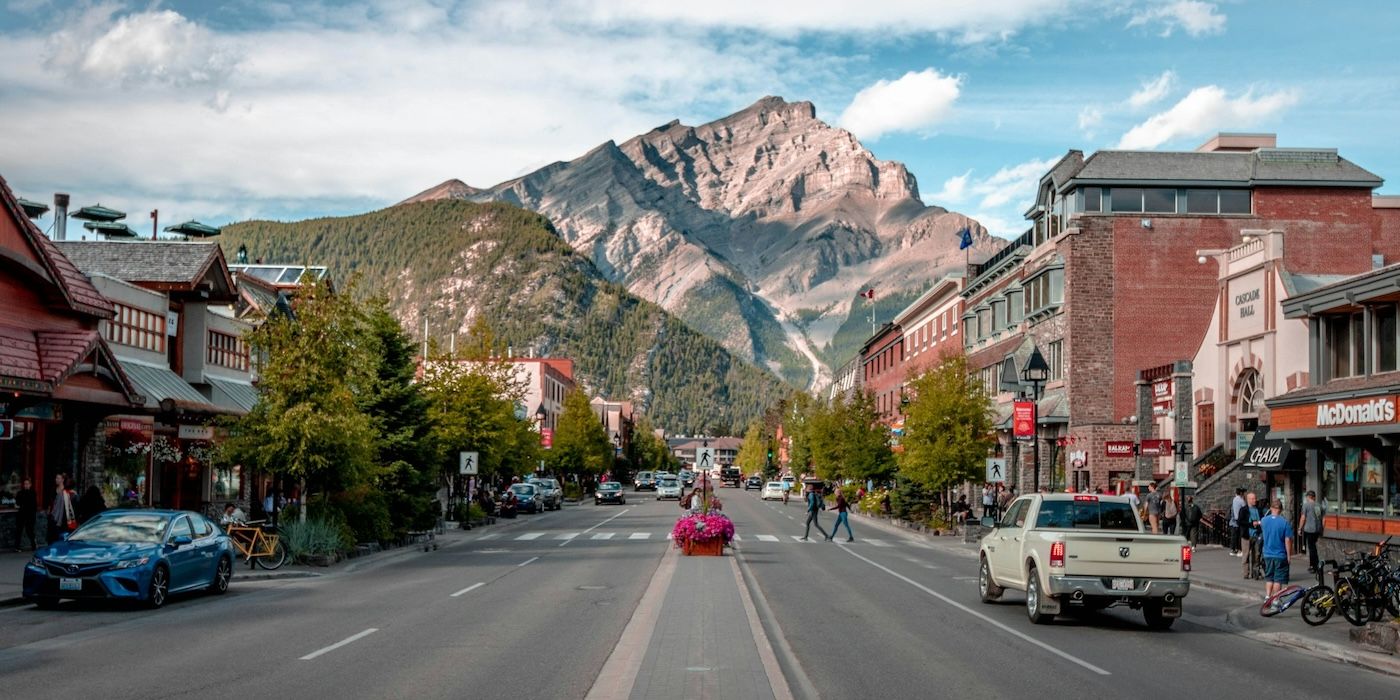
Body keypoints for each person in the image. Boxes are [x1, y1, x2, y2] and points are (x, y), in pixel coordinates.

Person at [1260, 499, 1294, 600]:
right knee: (1278, 579)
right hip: (1280, 554)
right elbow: (1288, 540)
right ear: (1281, 510)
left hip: (1267, 554)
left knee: (1269, 577)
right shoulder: (1284, 523)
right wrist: (1289, 555)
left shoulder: (1264, 521)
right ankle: (1275, 600)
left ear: (1271, 508)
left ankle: (1267, 596)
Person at [1298, 490, 1325, 573]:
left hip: (1309, 529)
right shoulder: (1319, 506)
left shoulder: (1306, 506)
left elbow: (1303, 518)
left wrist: (1300, 528)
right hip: (1317, 529)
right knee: (1313, 547)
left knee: (1311, 548)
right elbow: (1324, 519)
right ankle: (1314, 565)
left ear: (1308, 497)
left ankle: (1314, 566)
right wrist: (1322, 529)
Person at [48, 474, 76, 542]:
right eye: (56, 478)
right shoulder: (54, 489)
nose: (56, 479)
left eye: (58, 478)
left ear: (63, 480)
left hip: (63, 517)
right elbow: (51, 501)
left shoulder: (68, 493)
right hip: (54, 515)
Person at [1241, 491, 1262, 579]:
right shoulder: (1244, 510)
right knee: (1246, 555)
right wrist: (1251, 524)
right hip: (1246, 535)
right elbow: (1240, 522)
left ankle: (1255, 573)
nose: (1255, 500)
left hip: (1256, 535)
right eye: (1253, 499)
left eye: (1255, 498)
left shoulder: (1258, 509)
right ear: (1248, 499)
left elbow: (1262, 519)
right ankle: (1246, 573)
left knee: (1256, 555)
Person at [14, 477, 37, 551]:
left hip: (30, 515)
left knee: (30, 530)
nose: (26, 485)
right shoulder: (20, 493)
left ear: (30, 485)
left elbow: (34, 505)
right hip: (21, 514)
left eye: (27, 484)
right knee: (19, 530)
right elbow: (17, 503)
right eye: (25, 484)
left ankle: (34, 545)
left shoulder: (33, 493)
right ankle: (17, 547)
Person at [1229, 487, 1246, 556]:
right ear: (1241, 493)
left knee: (1234, 535)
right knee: (1240, 535)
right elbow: (1245, 509)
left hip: (1233, 520)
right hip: (1240, 520)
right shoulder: (1241, 501)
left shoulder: (1234, 499)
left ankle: (1233, 549)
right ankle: (1240, 549)